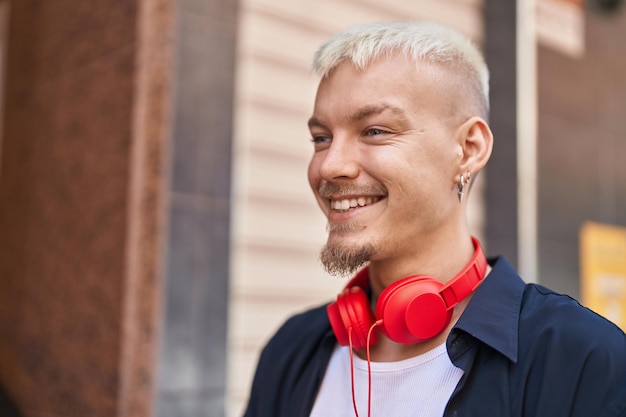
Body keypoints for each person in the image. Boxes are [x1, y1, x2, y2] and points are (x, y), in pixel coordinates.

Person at [243, 21, 626, 417]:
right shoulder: (290, 350)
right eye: (321, 138)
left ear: (468, 149)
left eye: (374, 131)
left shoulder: (581, 360)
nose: (331, 165)